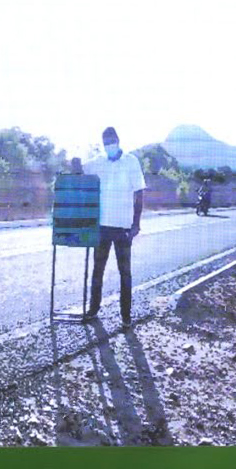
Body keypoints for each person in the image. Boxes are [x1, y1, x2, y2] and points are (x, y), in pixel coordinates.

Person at [81, 126, 145, 324]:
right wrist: (73, 163)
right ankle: (93, 308)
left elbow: (139, 193)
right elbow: (80, 169)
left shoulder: (131, 162)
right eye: (105, 143)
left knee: (124, 272)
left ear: (118, 140)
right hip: (102, 227)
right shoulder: (98, 162)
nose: (109, 145)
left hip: (124, 229)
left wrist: (136, 224)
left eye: (111, 141)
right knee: (97, 270)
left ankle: (126, 316)